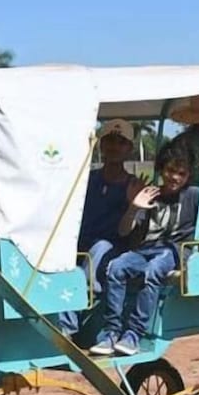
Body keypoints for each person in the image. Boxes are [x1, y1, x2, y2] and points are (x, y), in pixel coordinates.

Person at [90, 141, 199, 357]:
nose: (175, 178)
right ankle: (111, 332)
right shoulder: (151, 195)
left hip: (175, 251)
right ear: (161, 169)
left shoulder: (193, 194)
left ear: (188, 175)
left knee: (153, 270)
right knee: (116, 268)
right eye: (170, 171)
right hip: (145, 250)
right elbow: (124, 231)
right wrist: (134, 207)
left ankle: (134, 334)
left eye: (181, 173)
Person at [58, 119, 144, 335]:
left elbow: (132, 232)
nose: (114, 147)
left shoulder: (134, 186)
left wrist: (133, 205)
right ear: (101, 145)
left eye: (121, 142)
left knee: (100, 248)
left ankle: (80, 312)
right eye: (110, 141)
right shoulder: (86, 180)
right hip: (80, 245)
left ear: (129, 149)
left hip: (114, 249)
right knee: (68, 267)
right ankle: (63, 327)